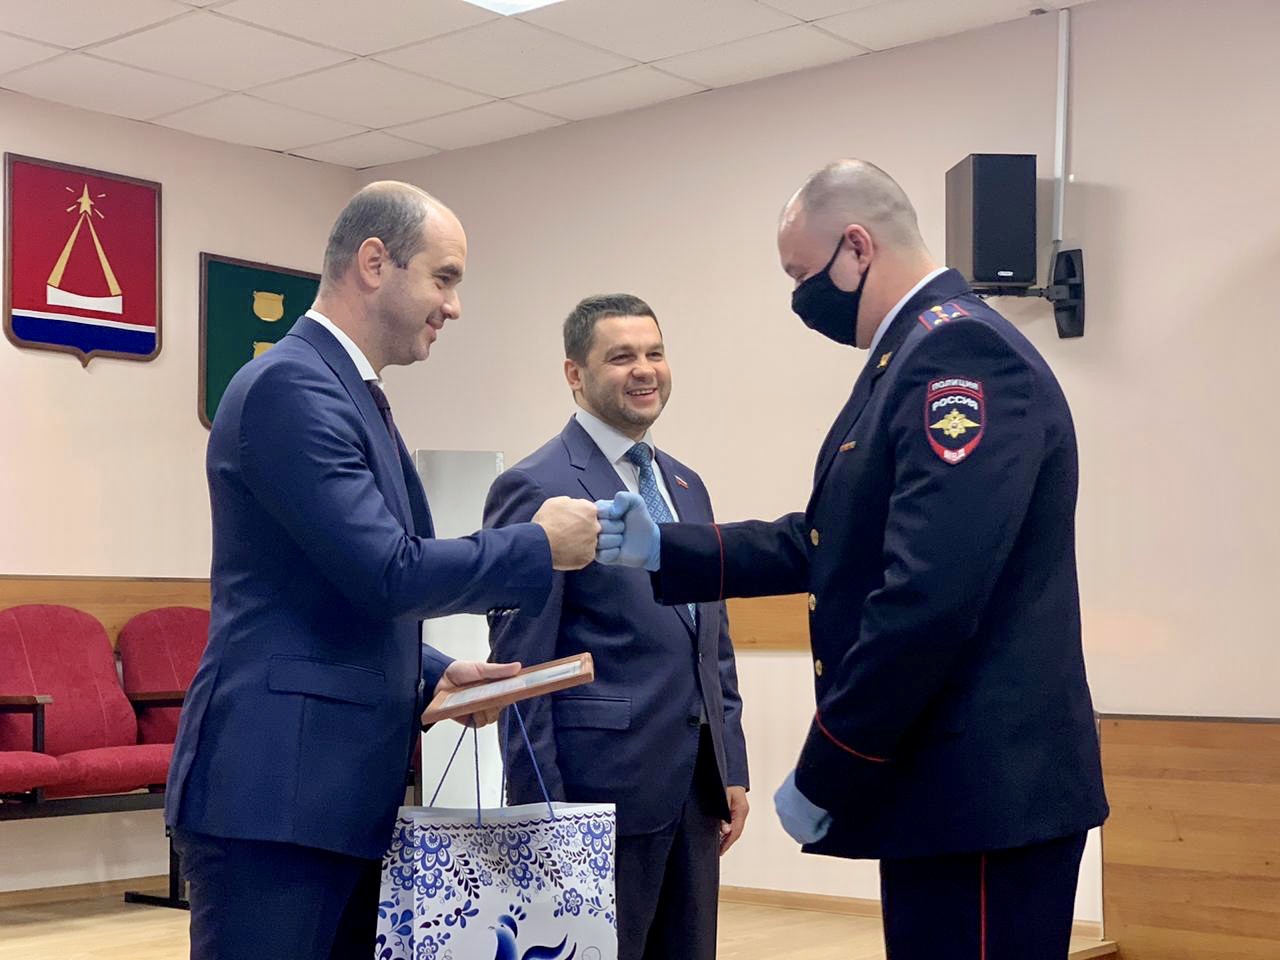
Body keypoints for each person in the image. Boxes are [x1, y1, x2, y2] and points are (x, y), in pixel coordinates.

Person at [597, 160, 1108, 959]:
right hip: (949, 793)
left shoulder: (959, 356)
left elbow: (929, 596)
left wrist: (831, 762)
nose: (800, 299)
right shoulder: (910, 354)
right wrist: (668, 547)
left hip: (982, 791)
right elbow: (828, 538)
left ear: (858, 247)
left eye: (801, 275)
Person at [166, 181, 600, 960]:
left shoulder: (347, 389)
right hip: (276, 797)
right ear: (374, 263)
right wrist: (534, 545)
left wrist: (433, 674)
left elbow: (331, 598)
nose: (454, 306)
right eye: (444, 278)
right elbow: (387, 573)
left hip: (328, 797)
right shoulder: (292, 385)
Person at [484, 294, 749, 960]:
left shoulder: (686, 485)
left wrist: (731, 765)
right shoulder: (536, 486)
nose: (644, 370)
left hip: (694, 793)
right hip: (594, 796)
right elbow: (521, 670)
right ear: (575, 374)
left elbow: (711, 641)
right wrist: (538, 811)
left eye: (655, 353)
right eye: (621, 356)